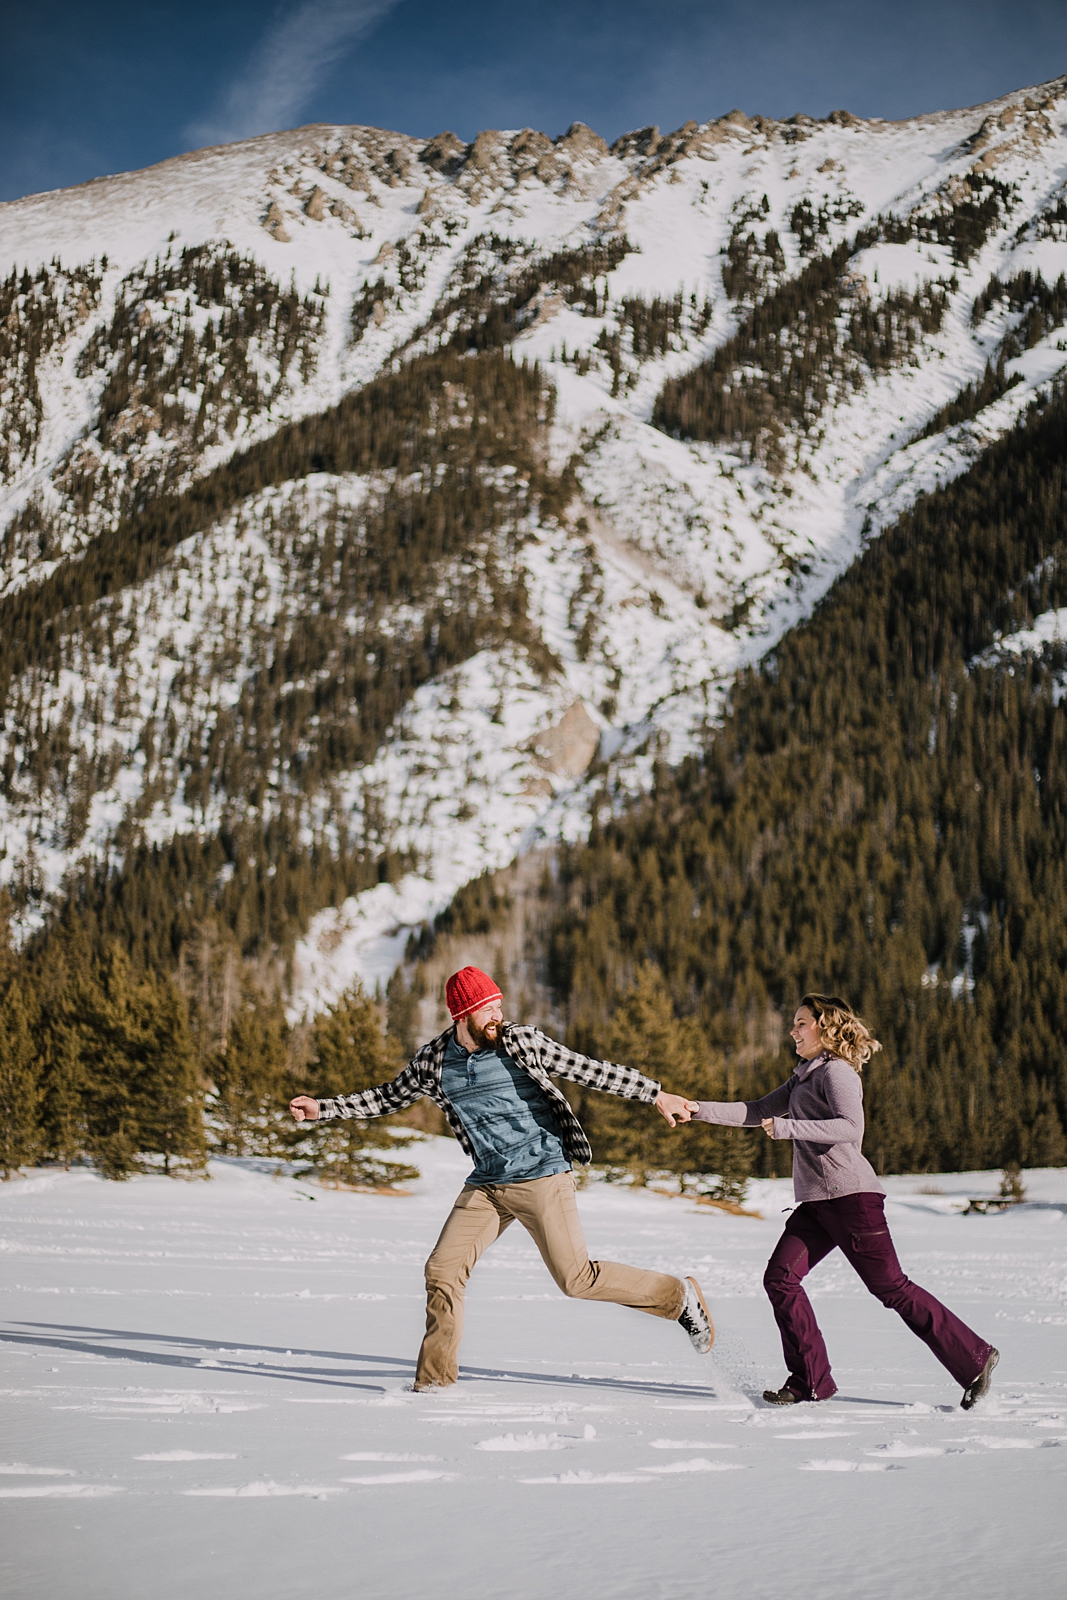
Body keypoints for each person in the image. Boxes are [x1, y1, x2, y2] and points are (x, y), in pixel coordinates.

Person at [290, 965, 714, 1390]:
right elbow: (386, 1096)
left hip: (542, 1174)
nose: (496, 1013)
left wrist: (654, 1093)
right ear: (462, 1015)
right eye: (486, 1008)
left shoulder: (520, 1042)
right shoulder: (434, 1062)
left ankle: (677, 1298)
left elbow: (589, 1069)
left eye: (497, 1004)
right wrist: (324, 1109)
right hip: (488, 1183)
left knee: (576, 1280)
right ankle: (435, 1386)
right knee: (442, 1270)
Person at [690, 993, 999, 1409]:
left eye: (801, 1023)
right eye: (794, 1023)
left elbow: (850, 1129)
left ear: (824, 1027)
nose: (793, 1031)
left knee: (891, 1288)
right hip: (818, 1204)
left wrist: (788, 1129)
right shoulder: (803, 1076)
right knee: (780, 1278)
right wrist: (694, 1109)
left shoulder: (836, 1073)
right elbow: (757, 1108)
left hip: (853, 1199)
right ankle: (810, 1382)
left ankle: (975, 1359)